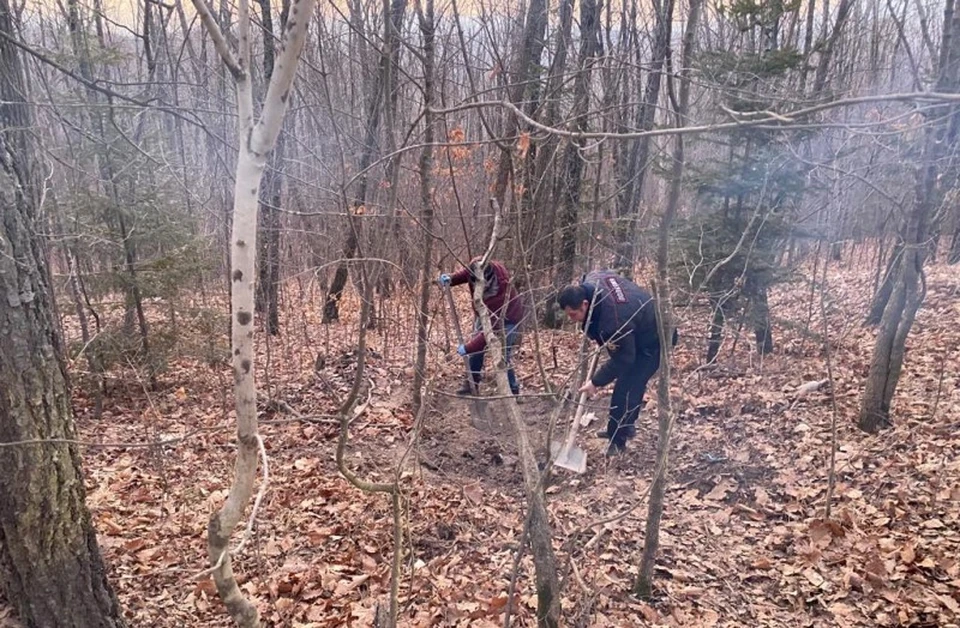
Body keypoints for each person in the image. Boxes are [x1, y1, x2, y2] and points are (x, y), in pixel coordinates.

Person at [557, 270, 674, 455]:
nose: (571, 320)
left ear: (585, 304)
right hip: (638, 326)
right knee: (630, 384)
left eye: (573, 315)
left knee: (626, 388)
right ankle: (624, 428)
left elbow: (624, 359)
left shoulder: (614, 322)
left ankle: (618, 441)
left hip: (656, 339)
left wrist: (595, 382)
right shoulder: (591, 279)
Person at [439, 258, 524, 396]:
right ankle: (472, 383)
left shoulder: (500, 292)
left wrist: (468, 348)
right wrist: (451, 278)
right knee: (476, 352)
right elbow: (466, 273)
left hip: (507, 319)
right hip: (484, 312)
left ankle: (512, 390)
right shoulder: (480, 266)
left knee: (502, 354)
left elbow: (490, 331)